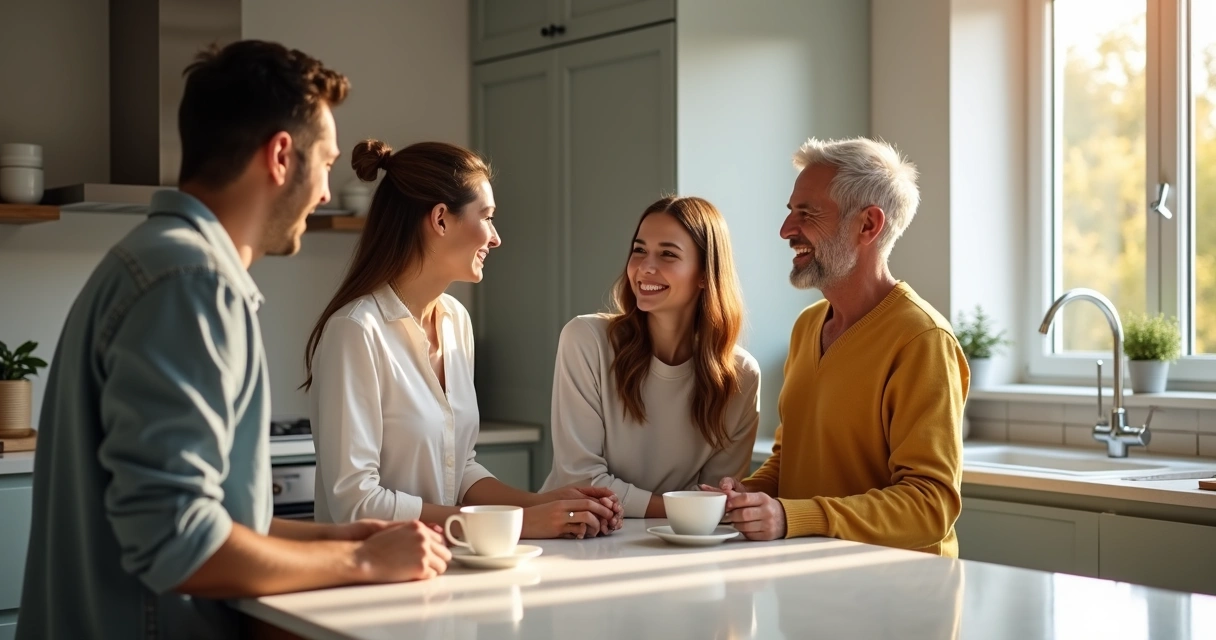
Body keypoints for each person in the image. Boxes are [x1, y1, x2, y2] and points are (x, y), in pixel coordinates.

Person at [17, 41, 452, 640]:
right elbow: (179, 540)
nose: (327, 191)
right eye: (324, 162)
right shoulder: (191, 282)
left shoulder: (155, 263)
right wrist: (362, 562)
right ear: (280, 156)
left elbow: (218, 522)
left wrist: (343, 537)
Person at [304, 139, 622, 539]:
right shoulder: (356, 331)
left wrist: (548, 503)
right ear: (440, 219)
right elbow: (356, 503)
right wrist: (520, 524)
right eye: (486, 217)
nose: (495, 237)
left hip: (442, 569)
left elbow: (459, 468)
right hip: (373, 585)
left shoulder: (456, 320)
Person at [709, 137, 968, 557]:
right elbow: (790, 459)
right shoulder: (807, 326)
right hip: (811, 590)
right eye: (790, 211)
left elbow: (930, 505)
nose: (786, 230)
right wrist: (746, 498)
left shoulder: (923, 341)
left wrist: (794, 518)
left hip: (901, 604)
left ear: (868, 225)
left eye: (807, 213)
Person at [542, 196, 761, 518]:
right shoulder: (586, 340)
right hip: (575, 535)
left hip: (673, 546)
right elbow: (582, 479)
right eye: (639, 250)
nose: (645, 267)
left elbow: (714, 497)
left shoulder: (740, 376)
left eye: (668, 254)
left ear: (704, 274)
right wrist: (686, 510)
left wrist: (697, 510)